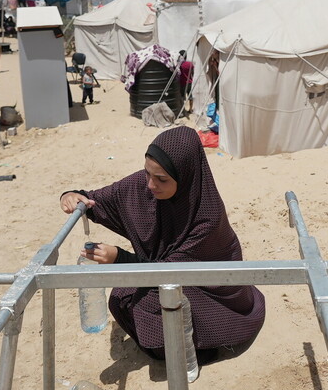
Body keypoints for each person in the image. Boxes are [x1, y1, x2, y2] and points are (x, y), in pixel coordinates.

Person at [59, 126, 265, 365]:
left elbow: (171, 272)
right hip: (161, 271)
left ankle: (205, 348)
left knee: (151, 310)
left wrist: (119, 258)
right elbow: (98, 200)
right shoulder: (144, 184)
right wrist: (72, 195)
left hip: (207, 290)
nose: (150, 184)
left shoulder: (206, 217)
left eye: (162, 179)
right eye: (147, 173)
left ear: (185, 175)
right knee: (121, 300)